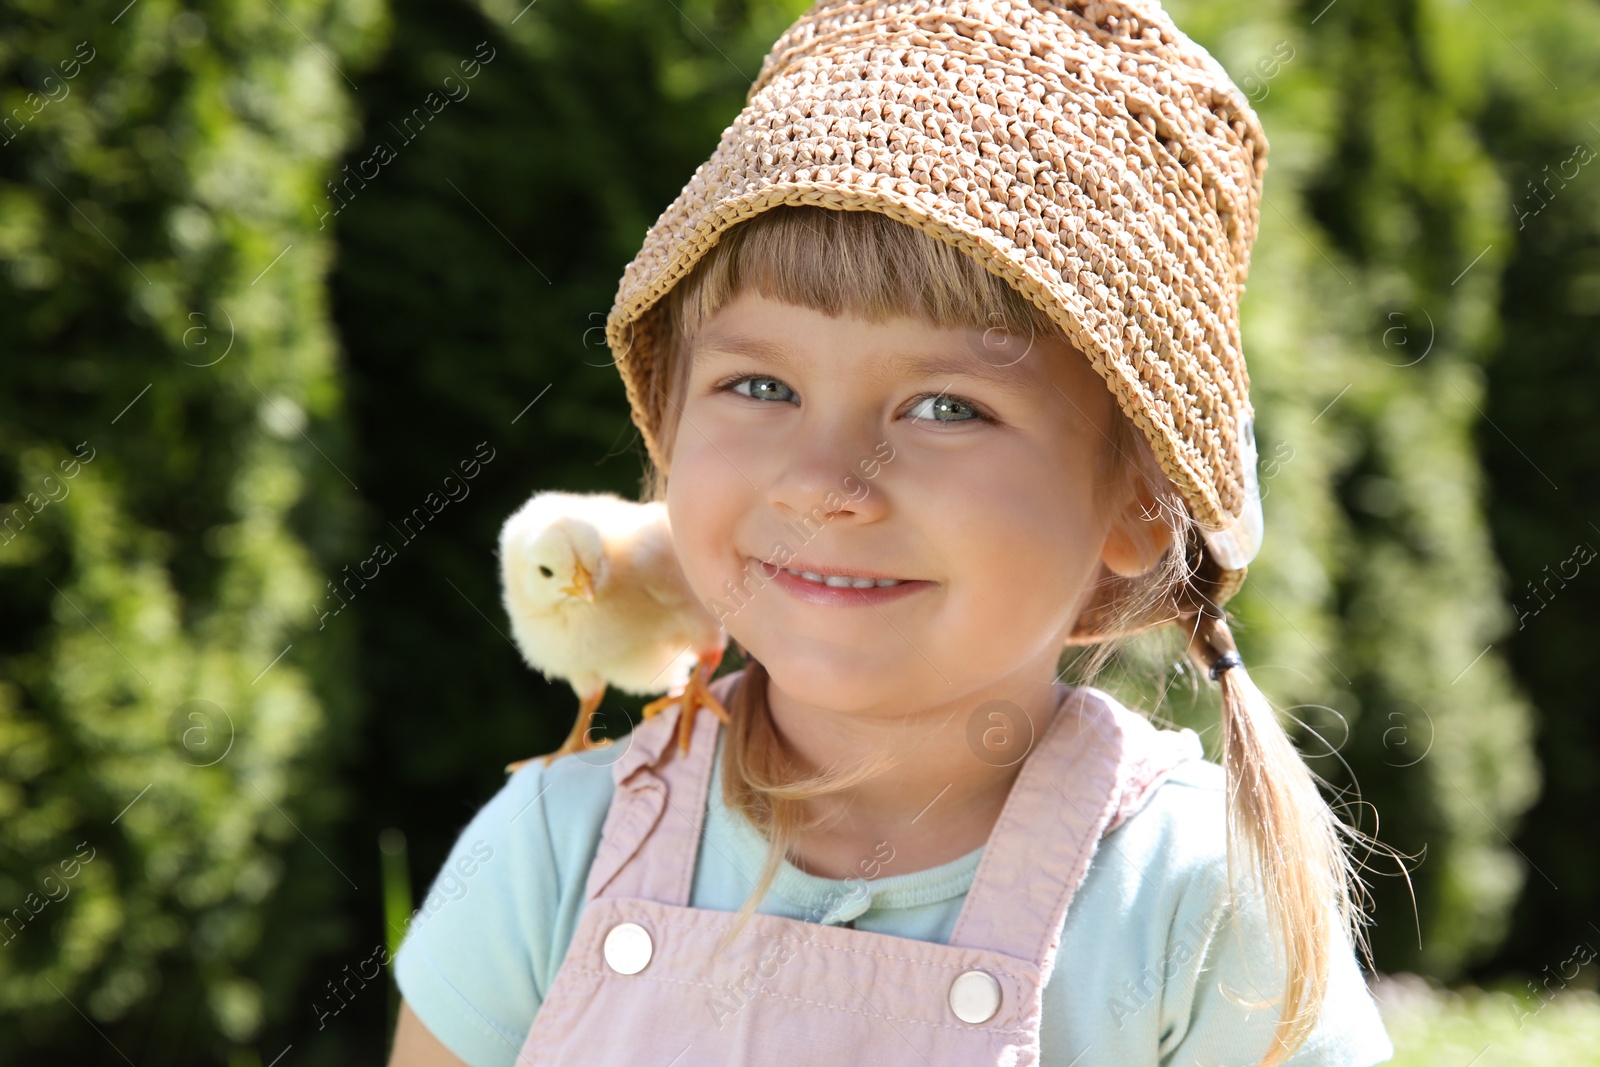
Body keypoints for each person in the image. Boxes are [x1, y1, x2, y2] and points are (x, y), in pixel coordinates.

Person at [388, 0, 1396, 1063]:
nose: (826, 484)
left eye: (948, 406)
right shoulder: (552, 850)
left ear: (1140, 502)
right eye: (759, 382)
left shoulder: (1197, 905)